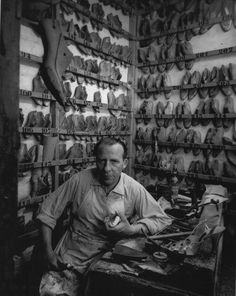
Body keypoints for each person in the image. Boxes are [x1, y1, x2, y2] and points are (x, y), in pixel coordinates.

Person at [37, 137, 171, 296]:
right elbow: (46, 212)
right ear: (96, 160)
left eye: (114, 161)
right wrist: (49, 253)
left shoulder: (133, 188)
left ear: (125, 162)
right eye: (102, 161)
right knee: (50, 292)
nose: (107, 168)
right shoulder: (80, 180)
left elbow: (162, 220)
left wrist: (132, 229)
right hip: (71, 255)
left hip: (108, 258)